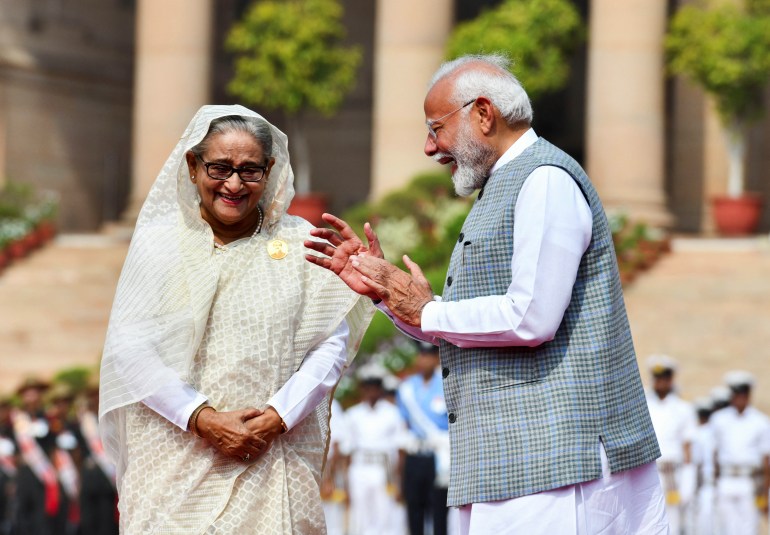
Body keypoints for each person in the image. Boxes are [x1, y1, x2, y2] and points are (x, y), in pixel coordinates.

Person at [305, 54, 667, 534]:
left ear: (482, 113)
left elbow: (530, 318)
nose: (430, 147)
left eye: (437, 128)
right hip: (516, 463)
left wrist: (429, 310)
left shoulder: (544, 180)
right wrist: (388, 292)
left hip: (557, 462)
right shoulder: (505, 186)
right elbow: (470, 326)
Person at [98, 105, 372, 533]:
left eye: (249, 171)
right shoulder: (160, 246)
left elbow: (330, 342)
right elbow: (129, 349)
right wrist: (201, 417)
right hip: (174, 460)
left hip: (271, 454)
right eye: (219, 168)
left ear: (270, 170)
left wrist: (280, 414)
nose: (233, 184)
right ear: (193, 166)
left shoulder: (302, 243)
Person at [341, 365, 406, 535]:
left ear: (380, 389)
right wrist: (346, 483)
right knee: (361, 514)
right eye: (367, 388)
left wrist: (399, 480)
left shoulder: (392, 413)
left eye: (374, 388)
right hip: (360, 466)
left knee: (385, 513)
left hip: (383, 468)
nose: (371, 392)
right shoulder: (352, 414)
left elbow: (401, 448)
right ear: (362, 389)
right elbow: (347, 450)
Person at [396, 341, 449, 535]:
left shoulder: (445, 384)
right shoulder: (407, 388)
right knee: (414, 508)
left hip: (439, 457)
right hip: (416, 454)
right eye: (421, 355)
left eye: (428, 355)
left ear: (436, 358)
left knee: (439, 511)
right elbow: (402, 425)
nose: (423, 359)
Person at [709, 371, 770, 535]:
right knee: (728, 528)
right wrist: (714, 483)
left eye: (743, 395)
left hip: (749, 481)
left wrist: (765, 491)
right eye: (736, 395)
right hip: (726, 479)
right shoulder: (719, 419)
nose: (739, 399)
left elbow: (766, 459)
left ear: (749, 396)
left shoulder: (761, 422)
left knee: (749, 528)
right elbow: (714, 454)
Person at [644, 354, 697, 534]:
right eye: (657, 378)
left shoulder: (683, 409)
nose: (661, 382)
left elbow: (687, 446)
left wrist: (689, 478)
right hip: (648, 472)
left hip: (673, 473)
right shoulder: (644, 405)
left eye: (665, 378)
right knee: (648, 522)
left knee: (673, 524)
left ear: (671, 380)